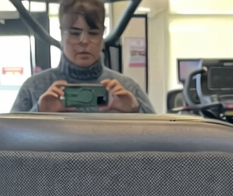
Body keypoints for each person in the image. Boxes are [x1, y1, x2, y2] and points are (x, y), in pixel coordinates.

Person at [11, 0, 155, 114]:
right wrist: (38, 112)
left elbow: (159, 142)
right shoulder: (33, 88)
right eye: (74, 33)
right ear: (62, 34)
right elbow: (8, 143)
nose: (84, 41)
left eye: (93, 33)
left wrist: (137, 111)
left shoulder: (128, 89)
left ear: (102, 35)